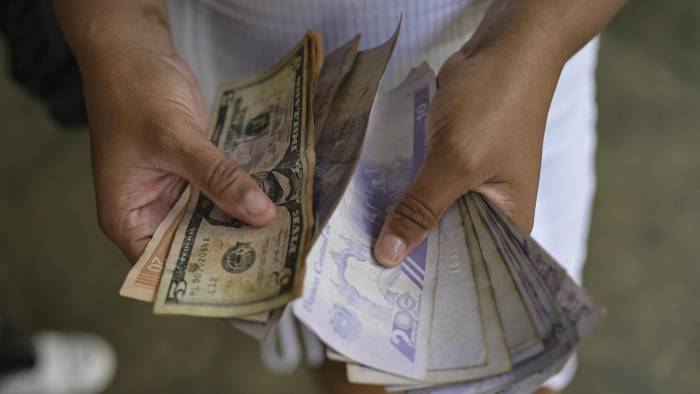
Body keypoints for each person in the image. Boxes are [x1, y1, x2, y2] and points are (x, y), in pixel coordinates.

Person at [52, 0, 627, 392]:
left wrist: (534, 45)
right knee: (341, 351)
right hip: (247, 67)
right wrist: (121, 53)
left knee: (501, 364)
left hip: (506, 78)